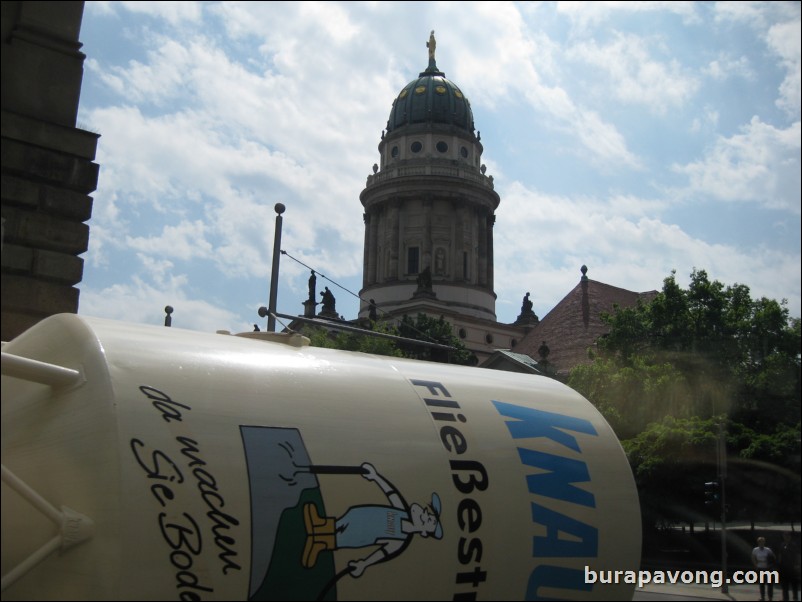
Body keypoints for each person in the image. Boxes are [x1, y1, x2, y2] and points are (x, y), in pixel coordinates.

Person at [302, 462, 442, 576]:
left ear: (424, 533)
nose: (425, 513)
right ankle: (319, 524)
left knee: (340, 538)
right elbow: (390, 492)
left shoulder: (401, 540)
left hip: (360, 536)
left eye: (429, 520)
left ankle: (319, 544)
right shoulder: (402, 512)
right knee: (341, 522)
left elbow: (382, 553)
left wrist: (364, 564)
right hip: (358, 515)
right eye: (429, 514)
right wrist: (375, 477)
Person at [753, 536, 777, 601]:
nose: (761, 543)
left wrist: (771, 565)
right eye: (760, 542)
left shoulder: (768, 550)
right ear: (758, 542)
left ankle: (770, 597)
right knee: (762, 584)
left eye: (762, 542)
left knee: (769, 584)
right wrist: (756, 565)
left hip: (768, 568)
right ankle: (762, 597)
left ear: (764, 542)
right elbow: (753, 558)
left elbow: (773, 557)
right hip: (760, 567)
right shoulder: (755, 550)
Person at [778, 532, 800, 601]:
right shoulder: (782, 545)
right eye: (785, 536)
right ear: (783, 537)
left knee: (794, 584)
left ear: (790, 537)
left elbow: (798, 555)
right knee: (784, 584)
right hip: (784, 567)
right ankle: (785, 598)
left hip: (793, 567)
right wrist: (779, 564)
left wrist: (798, 564)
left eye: (788, 536)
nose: (786, 537)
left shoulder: (794, 545)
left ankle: (795, 598)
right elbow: (780, 555)